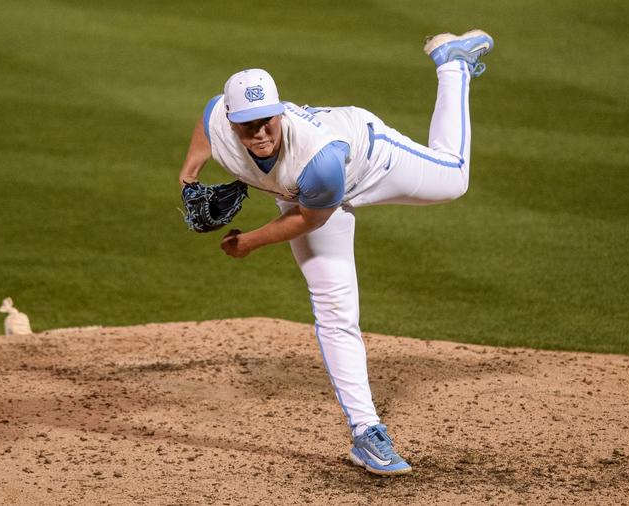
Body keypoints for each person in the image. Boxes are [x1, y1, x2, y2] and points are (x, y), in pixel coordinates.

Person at [178, 29, 493, 476]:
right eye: (249, 123)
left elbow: (310, 218)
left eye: (269, 118)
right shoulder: (221, 121)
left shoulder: (318, 158)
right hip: (303, 193)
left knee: (455, 178)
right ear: (232, 121)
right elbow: (207, 118)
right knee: (334, 308)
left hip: (368, 161)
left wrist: (247, 242)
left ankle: (452, 63)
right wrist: (188, 177)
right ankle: (367, 432)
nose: (262, 131)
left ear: (279, 111)